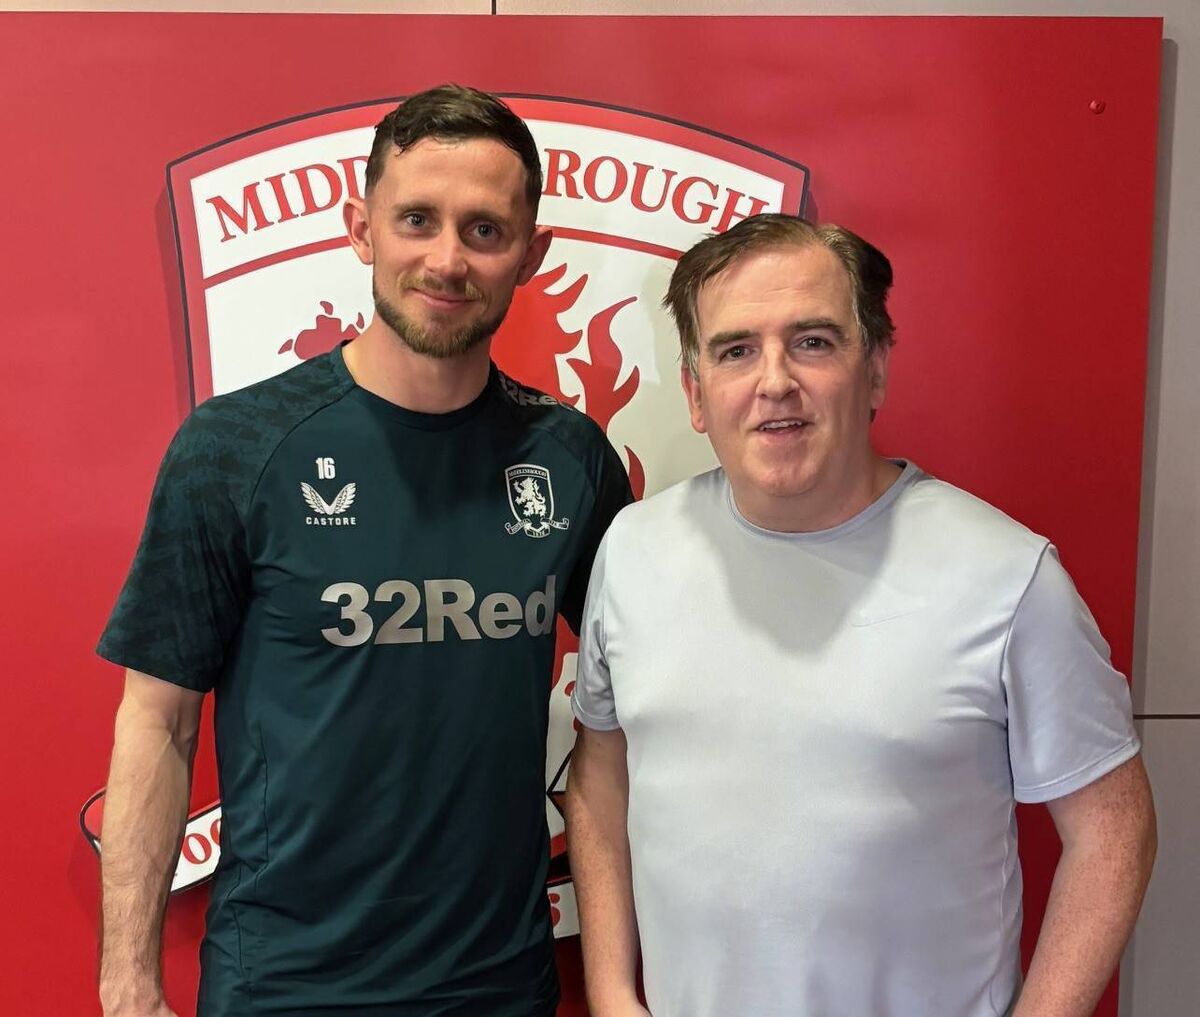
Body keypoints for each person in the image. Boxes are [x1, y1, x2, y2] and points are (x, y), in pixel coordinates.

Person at [97, 84, 631, 1017]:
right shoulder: (234, 446)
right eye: (416, 219)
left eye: (484, 229)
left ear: (531, 255)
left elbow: (632, 713)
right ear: (361, 228)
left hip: (497, 984)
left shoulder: (572, 459)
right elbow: (157, 723)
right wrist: (129, 987)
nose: (446, 259)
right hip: (285, 986)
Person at [565, 213, 1156, 1017]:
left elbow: (1114, 830)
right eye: (737, 349)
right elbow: (601, 776)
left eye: (813, 341)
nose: (774, 380)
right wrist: (610, 991)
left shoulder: (1006, 577)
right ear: (698, 394)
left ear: (874, 368)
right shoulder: (632, 550)